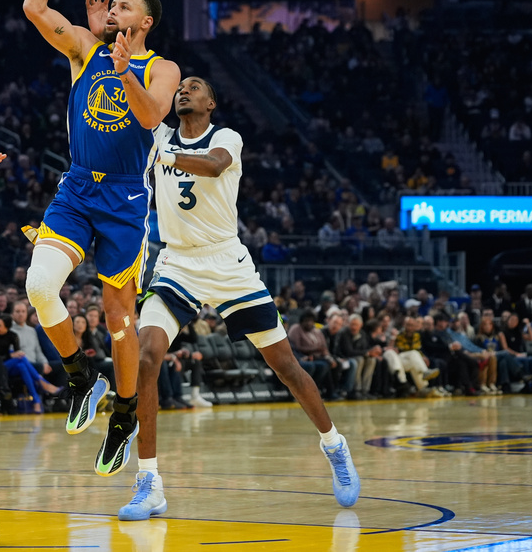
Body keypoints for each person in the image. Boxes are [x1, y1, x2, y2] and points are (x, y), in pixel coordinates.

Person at [118, 76, 360, 521]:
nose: (184, 91)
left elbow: (211, 166)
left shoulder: (226, 137)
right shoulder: (159, 134)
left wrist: (163, 155)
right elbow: (134, 105)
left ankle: (335, 445)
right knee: (147, 357)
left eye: (194, 87)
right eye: (180, 87)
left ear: (211, 102)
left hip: (228, 262)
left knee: (286, 367)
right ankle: (149, 483)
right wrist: (123, 62)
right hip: (177, 263)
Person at [22, 0, 180, 477]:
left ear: (145, 22)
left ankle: (124, 415)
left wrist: (123, 72)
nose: (114, 8)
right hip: (77, 186)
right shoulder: (85, 49)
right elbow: (33, 6)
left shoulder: (162, 68)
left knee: (120, 318)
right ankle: (83, 378)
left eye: (125, 6)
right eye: (112, 4)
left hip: (125, 197)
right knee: (39, 286)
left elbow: (152, 116)